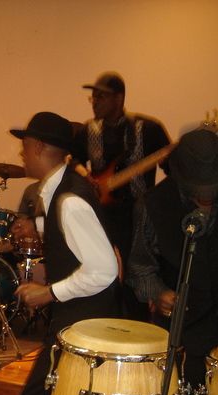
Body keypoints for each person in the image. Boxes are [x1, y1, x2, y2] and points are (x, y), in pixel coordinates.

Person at [10, 112, 121, 395]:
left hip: (83, 322)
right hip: (76, 320)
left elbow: (103, 270)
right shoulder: (61, 191)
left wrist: (49, 292)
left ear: (39, 147)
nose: (21, 153)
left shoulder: (69, 200)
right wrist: (38, 230)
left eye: (25, 145)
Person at [126, 129, 218, 389]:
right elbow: (140, 266)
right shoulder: (151, 203)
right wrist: (159, 293)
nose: (208, 194)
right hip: (181, 330)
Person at [72, 72, 171, 319]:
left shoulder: (148, 129)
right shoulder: (88, 130)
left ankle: (136, 324)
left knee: (134, 277)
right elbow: (72, 160)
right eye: (93, 98)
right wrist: (86, 175)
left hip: (138, 218)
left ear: (119, 98)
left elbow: (173, 169)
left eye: (101, 97)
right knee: (102, 272)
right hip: (101, 216)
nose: (95, 102)